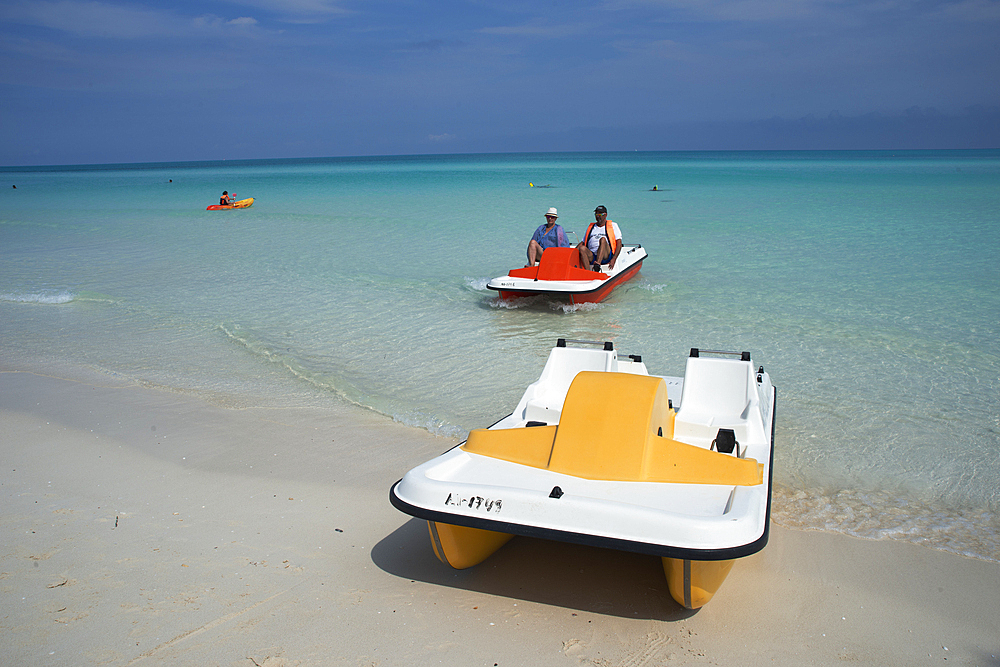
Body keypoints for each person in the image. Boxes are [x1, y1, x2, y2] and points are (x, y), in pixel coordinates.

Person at [577, 205, 622, 271]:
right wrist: (570, 253)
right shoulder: (591, 227)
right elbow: (582, 243)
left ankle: (597, 265)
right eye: (596, 214)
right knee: (582, 248)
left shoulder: (613, 225)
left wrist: (614, 259)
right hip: (592, 255)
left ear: (605, 215)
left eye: (600, 214)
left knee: (603, 239)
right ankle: (587, 272)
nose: (598, 216)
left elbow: (619, 243)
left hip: (605, 255)